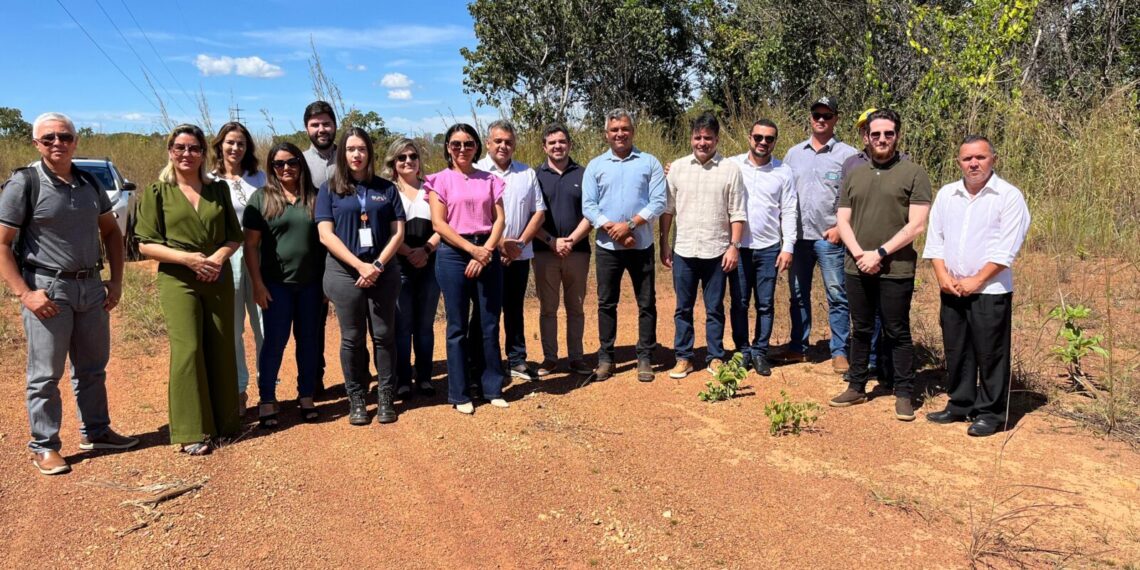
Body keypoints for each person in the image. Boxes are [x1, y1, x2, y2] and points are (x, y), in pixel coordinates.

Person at [0, 112, 137, 475]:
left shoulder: (89, 183)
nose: (57, 143)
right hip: (48, 290)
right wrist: (25, 294)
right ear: (36, 144)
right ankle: (44, 446)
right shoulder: (24, 184)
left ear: (75, 141)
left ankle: (97, 431)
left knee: (92, 368)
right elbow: (1, 243)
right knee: (44, 375)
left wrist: (116, 281)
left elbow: (111, 232)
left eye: (64, 136)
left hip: (91, 287)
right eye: (48, 138)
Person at [135, 123, 243, 455]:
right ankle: (192, 429)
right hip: (178, 278)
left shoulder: (218, 190)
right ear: (170, 151)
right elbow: (145, 245)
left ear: (203, 153)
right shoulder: (157, 191)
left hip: (217, 275)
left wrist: (218, 257)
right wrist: (188, 260)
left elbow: (234, 236)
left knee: (222, 344)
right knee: (189, 349)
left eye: (194, 148)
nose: (187, 154)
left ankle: (225, 424)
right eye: (180, 147)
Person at [923, 135, 1030, 436]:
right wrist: (942, 276)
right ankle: (960, 403)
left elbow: (1006, 250)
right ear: (958, 162)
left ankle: (991, 413)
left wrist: (977, 280)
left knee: (991, 353)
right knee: (957, 350)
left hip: (990, 290)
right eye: (967, 158)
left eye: (980, 157)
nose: (973, 163)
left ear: (993, 159)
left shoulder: (1008, 197)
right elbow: (935, 241)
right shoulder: (947, 194)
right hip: (952, 288)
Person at [830, 108, 931, 421]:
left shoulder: (914, 173)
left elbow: (917, 225)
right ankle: (857, 386)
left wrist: (880, 253)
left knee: (896, 331)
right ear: (866, 137)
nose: (882, 139)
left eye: (888, 133)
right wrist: (861, 254)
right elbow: (842, 220)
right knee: (859, 328)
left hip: (895, 268)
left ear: (897, 135)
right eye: (876, 134)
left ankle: (903, 392)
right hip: (856, 265)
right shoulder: (854, 174)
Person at [316, 128, 405, 426]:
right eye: (351, 149)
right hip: (345, 273)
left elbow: (398, 232)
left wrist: (377, 265)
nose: (357, 155)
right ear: (343, 154)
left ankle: (385, 396)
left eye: (362, 149)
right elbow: (325, 235)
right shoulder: (330, 189)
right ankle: (356, 396)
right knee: (352, 338)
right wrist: (359, 265)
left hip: (383, 270)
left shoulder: (386, 188)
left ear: (370, 153)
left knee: (383, 335)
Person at [427, 123, 509, 414]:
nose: (462, 149)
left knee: (488, 323)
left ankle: (491, 386)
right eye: (456, 144)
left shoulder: (490, 179)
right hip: (453, 255)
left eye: (468, 144)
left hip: (487, 252)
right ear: (448, 147)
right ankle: (460, 393)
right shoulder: (438, 180)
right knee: (457, 325)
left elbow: (500, 219)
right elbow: (439, 224)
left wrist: (485, 250)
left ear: (477, 147)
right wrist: (472, 250)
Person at [242, 142, 325, 427]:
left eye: (292, 162)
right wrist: (257, 284)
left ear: (301, 164)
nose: (286, 168)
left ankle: (306, 396)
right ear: (272, 168)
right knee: (274, 342)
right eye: (279, 164)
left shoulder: (315, 197)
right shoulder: (261, 199)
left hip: (312, 284)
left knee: (309, 341)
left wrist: (326, 285)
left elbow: (326, 242)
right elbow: (251, 246)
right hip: (276, 285)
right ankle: (267, 399)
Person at [582, 109, 667, 382]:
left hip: (641, 246)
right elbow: (589, 206)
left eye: (625, 129)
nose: (620, 134)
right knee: (607, 303)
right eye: (615, 129)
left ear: (633, 131)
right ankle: (606, 357)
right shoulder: (595, 166)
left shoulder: (649, 162)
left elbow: (658, 202)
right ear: (606, 134)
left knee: (646, 303)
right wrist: (615, 231)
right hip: (608, 249)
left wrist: (629, 226)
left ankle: (645, 357)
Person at [775, 96, 858, 374]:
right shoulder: (793, 153)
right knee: (798, 294)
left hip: (829, 237)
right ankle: (798, 347)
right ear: (810, 117)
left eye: (827, 115)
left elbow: (855, 198)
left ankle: (839, 351)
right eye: (816, 114)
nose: (821, 119)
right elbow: (782, 193)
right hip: (798, 238)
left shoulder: (849, 155)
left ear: (836, 118)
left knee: (837, 295)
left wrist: (839, 230)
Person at [660, 112, 745, 379]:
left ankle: (715, 356)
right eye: (698, 137)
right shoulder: (677, 169)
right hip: (684, 250)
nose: (702, 142)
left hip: (716, 250)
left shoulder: (730, 169)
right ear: (691, 138)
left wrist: (734, 246)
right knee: (682, 307)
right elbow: (667, 211)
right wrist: (664, 244)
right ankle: (684, 357)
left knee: (714, 307)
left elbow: (738, 212)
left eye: (708, 138)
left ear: (717, 139)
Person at [474, 120, 546, 381]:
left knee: (514, 308)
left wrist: (520, 245)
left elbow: (539, 211)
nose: (504, 146)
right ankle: (486, 364)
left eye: (508, 141)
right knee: (486, 312)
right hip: (485, 253)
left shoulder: (526, 173)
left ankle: (517, 360)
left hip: (520, 254)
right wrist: (499, 244)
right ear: (488, 142)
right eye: (498, 141)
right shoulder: (476, 170)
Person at [728, 119, 797, 377]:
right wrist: (673, 169)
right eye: (758, 137)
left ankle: (760, 352)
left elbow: (789, 210)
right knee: (739, 302)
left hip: (769, 248)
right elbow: (706, 166)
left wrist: (788, 246)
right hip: (739, 248)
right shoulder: (732, 165)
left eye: (769, 139)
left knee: (765, 304)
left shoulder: (783, 171)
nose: (763, 143)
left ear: (775, 142)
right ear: (749, 137)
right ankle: (742, 352)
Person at [209, 121, 266, 414]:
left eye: (241, 143)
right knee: (232, 330)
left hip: (258, 257)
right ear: (220, 145)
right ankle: (238, 391)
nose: (235, 148)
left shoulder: (259, 178)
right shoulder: (208, 180)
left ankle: (266, 386)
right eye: (230, 142)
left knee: (263, 327)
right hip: (226, 259)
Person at [381, 138, 441, 399]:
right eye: (402, 157)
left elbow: (444, 225)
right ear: (393, 162)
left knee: (425, 325)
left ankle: (425, 377)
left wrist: (425, 250)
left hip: (430, 264)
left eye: (412, 156)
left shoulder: (432, 188)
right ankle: (403, 380)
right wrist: (408, 252)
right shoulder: (386, 191)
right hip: (398, 266)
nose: (408, 161)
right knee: (402, 326)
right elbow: (384, 231)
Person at [531, 124, 593, 377]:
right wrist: (551, 241)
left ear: (569, 144)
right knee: (548, 307)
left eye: (562, 141)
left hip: (577, 253)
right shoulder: (534, 176)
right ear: (544, 147)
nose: (558, 146)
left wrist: (570, 241)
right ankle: (550, 358)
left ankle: (577, 357)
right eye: (552, 142)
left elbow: (592, 213)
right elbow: (529, 217)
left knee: (576, 307)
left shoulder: (584, 174)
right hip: (545, 252)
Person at [302, 101, 335, 396]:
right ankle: (313, 379)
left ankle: (361, 377)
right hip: (313, 251)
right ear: (307, 128)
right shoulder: (298, 162)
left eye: (326, 123)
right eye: (315, 125)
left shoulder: (351, 156)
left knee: (360, 318)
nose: (321, 129)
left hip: (352, 248)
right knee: (315, 321)